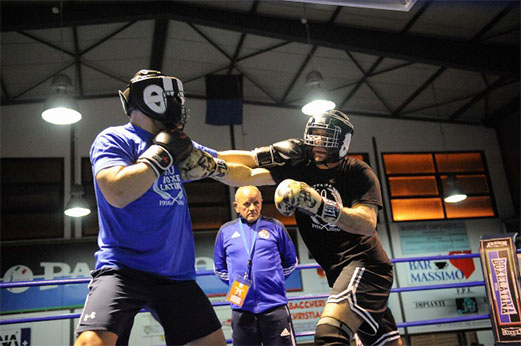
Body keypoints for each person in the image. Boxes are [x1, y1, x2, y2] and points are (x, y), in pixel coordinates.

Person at [178, 110, 403, 346]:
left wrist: (318, 204)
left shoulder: (357, 171)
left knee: (330, 334)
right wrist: (212, 165)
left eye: (324, 135)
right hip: (338, 272)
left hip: (366, 266)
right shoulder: (300, 165)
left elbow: (367, 223)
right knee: (384, 342)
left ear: (342, 141)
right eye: (314, 134)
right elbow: (250, 171)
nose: (317, 141)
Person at [75, 69, 228, 346]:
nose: (179, 107)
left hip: (174, 275)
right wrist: (161, 155)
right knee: (91, 342)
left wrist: (270, 159)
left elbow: (227, 162)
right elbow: (118, 191)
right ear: (153, 99)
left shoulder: (180, 145)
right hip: (123, 268)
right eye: (174, 99)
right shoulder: (115, 139)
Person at [214, 186, 298, 346]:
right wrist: (235, 282)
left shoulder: (276, 226)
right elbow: (219, 269)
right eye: (246, 204)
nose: (252, 208)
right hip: (242, 308)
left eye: (256, 203)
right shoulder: (226, 231)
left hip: (274, 305)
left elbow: (291, 262)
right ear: (236, 206)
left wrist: (274, 280)